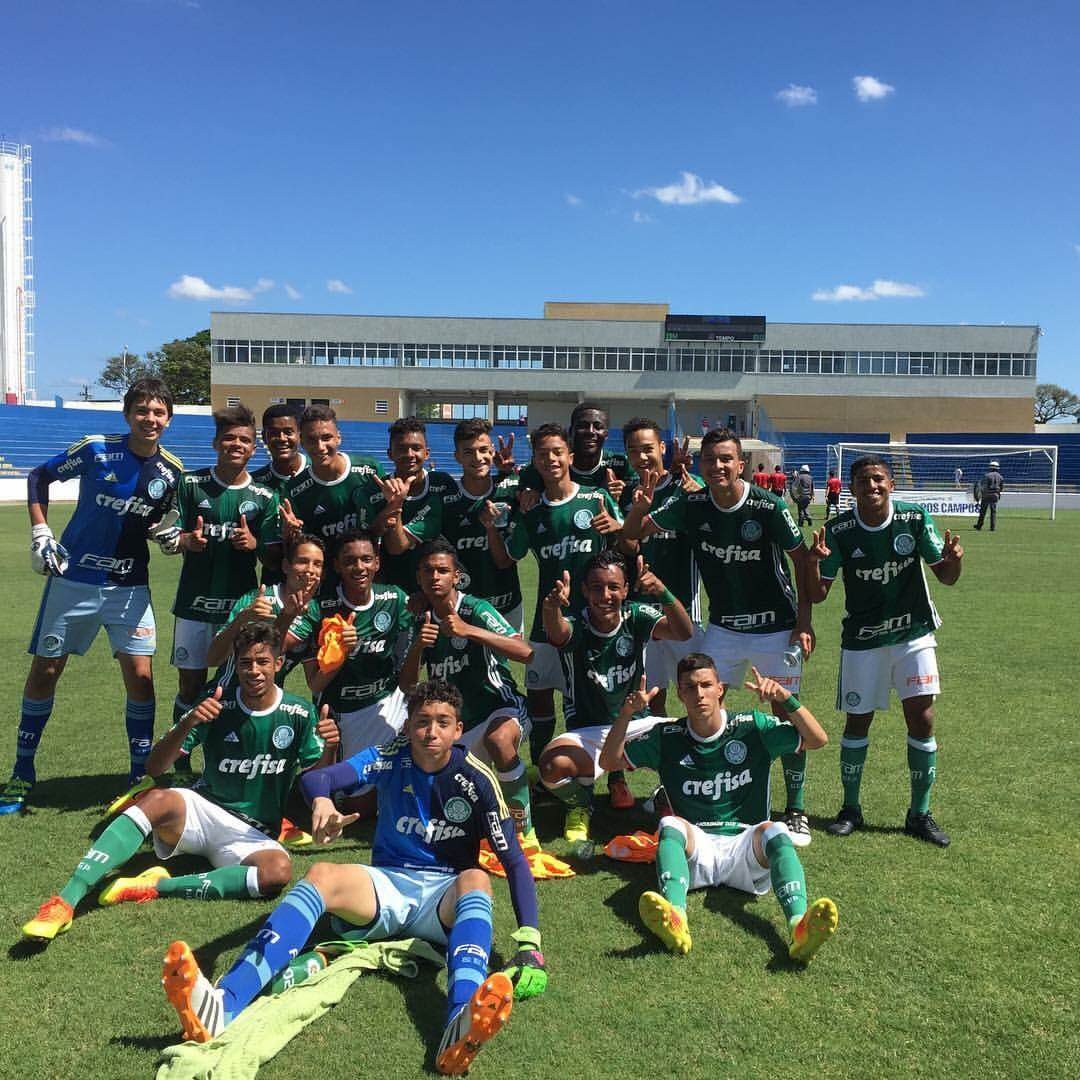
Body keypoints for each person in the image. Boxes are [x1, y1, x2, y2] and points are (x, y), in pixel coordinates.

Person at [161, 679, 546, 1076]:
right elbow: (317, 780)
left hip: (443, 899)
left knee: (476, 879)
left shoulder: (478, 779)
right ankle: (223, 1005)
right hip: (386, 886)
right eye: (422, 722)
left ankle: (460, 1019)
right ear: (407, 726)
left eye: (443, 722)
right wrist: (324, 801)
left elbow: (514, 861)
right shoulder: (390, 756)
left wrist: (530, 941)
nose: (431, 732)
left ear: (458, 729)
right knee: (322, 873)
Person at [20, 624, 337, 942]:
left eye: (262, 662)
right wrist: (190, 721)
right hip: (204, 811)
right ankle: (64, 902)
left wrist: (331, 748)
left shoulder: (299, 712)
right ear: (235, 664)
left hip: (254, 834)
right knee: (158, 798)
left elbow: (315, 781)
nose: (253, 670)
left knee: (277, 873)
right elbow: (156, 766)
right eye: (245, 663)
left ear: (278, 664)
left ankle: (154, 885)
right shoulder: (217, 704)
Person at [623, 428, 817, 846]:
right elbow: (634, 535)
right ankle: (684, 791)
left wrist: (803, 623)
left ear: (741, 464)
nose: (718, 467)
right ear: (701, 465)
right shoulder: (690, 503)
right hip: (725, 627)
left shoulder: (768, 505)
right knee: (698, 702)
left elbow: (801, 561)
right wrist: (639, 510)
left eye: (726, 459)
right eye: (710, 460)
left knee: (785, 713)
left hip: (775, 627)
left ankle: (796, 808)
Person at [0, 378, 183, 814]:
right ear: (127, 415)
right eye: (142, 410)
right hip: (73, 580)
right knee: (46, 671)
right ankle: (22, 772)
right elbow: (39, 475)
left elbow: (163, 524)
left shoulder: (172, 471)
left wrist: (166, 536)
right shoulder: (97, 448)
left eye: (158, 412)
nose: (150, 419)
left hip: (129, 587)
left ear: (169, 419)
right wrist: (41, 530)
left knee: (140, 677)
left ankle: (139, 775)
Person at [598, 655, 837, 962]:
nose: (699, 694)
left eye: (706, 685)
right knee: (670, 825)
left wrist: (784, 697)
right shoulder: (667, 736)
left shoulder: (753, 727)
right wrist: (626, 714)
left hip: (746, 847)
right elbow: (608, 762)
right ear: (680, 694)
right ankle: (676, 918)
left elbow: (818, 739)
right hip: (697, 850)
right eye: (690, 687)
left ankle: (799, 927)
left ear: (720, 689)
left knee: (777, 830)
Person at [804, 454, 963, 847]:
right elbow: (817, 595)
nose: (871, 486)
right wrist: (813, 563)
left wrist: (954, 561)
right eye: (862, 481)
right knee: (858, 722)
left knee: (922, 718)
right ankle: (850, 809)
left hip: (914, 635)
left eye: (878, 479)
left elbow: (944, 576)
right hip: (862, 640)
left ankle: (919, 813)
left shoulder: (912, 518)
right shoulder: (839, 530)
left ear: (890, 484)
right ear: (851, 488)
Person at [537, 550, 693, 842]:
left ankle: (665, 799)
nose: (605, 595)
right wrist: (551, 607)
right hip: (588, 732)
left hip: (637, 723)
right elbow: (558, 634)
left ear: (624, 589)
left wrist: (662, 591)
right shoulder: (577, 623)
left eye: (613, 587)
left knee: (690, 739)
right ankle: (580, 803)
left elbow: (683, 632)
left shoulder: (636, 615)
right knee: (551, 767)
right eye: (596, 587)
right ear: (584, 590)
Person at [399, 540, 535, 845]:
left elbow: (525, 651)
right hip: (459, 727)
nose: (435, 577)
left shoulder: (475, 609)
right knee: (440, 806)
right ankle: (513, 781)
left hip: (500, 709)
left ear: (456, 576)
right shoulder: (419, 619)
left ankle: (524, 832)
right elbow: (406, 686)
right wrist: (419, 646)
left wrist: (469, 630)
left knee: (499, 740)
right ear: (419, 577)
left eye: (443, 571)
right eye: (428, 571)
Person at [504, 423, 623, 771]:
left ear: (570, 456)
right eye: (543, 454)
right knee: (540, 701)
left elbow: (625, 544)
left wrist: (618, 528)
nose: (551, 459)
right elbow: (510, 555)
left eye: (557, 452)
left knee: (591, 705)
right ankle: (545, 775)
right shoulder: (532, 511)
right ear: (536, 461)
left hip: (591, 626)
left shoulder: (597, 498)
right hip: (547, 625)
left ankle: (608, 781)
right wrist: (516, 511)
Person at [162, 405, 281, 733]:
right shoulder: (189, 484)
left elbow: (273, 557)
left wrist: (254, 544)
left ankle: (224, 758)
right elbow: (165, 535)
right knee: (190, 684)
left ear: (254, 449)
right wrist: (187, 540)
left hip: (239, 608)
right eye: (229, 438)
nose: (237, 444)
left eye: (244, 440)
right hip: (193, 604)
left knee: (236, 684)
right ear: (216, 443)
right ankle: (182, 760)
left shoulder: (264, 496)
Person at [305, 529, 415, 762]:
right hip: (342, 711)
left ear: (377, 562)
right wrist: (341, 653)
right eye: (350, 561)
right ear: (337, 566)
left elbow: (420, 617)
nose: (359, 567)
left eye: (366, 559)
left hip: (388, 704)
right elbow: (315, 685)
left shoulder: (394, 599)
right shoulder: (321, 608)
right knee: (349, 791)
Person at [618, 417, 702, 715]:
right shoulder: (628, 494)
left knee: (700, 695)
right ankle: (665, 760)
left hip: (684, 611)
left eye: (647, 448)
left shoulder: (689, 486)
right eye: (633, 451)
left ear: (662, 448)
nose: (641, 457)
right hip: (644, 613)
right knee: (653, 698)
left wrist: (687, 484)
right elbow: (627, 545)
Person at [279, 404, 384, 608]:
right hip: (324, 584)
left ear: (338, 437)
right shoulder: (295, 489)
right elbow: (296, 550)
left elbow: (382, 530)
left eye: (326, 438)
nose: (320, 447)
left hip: (366, 578)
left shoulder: (369, 470)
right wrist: (290, 534)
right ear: (302, 442)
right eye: (311, 439)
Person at [429, 418, 522, 628]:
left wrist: (510, 472)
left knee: (509, 658)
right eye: (469, 452)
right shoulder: (446, 500)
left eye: (483, 450)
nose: (478, 458)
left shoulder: (511, 490)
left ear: (492, 452)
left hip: (507, 604)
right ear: (457, 456)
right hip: (461, 608)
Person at [204, 532, 326, 689]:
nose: (310, 570)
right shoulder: (256, 599)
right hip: (228, 693)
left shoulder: (316, 612)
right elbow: (213, 660)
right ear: (286, 566)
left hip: (269, 700)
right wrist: (241, 619)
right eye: (302, 562)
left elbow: (272, 653)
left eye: (317, 564)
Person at [371, 417, 449, 594]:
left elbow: (399, 545)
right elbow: (390, 547)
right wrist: (394, 505)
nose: (410, 454)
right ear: (390, 453)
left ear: (427, 453)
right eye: (401, 448)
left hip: (433, 591)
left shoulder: (443, 485)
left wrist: (395, 505)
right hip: (389, 590)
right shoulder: (371, 492)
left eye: (416, 448)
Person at [252, 403, 307, 586]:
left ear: (300, 434)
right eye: (274, 433)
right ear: (264, 437)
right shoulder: (255, 484)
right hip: (274, 583)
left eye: (288, 432)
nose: (281, 438)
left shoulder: (319, 474)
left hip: (320, 581)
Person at [973, 460, 1004, 532]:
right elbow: (1001, 487)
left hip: (987, 494)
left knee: (983, 511)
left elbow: (983, 486)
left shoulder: (986, 475)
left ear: (990, 468)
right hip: (995, 494)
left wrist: (980, 494)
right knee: (993, 512)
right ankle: (992, 527)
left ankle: (979, 525)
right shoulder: (1000, 477)